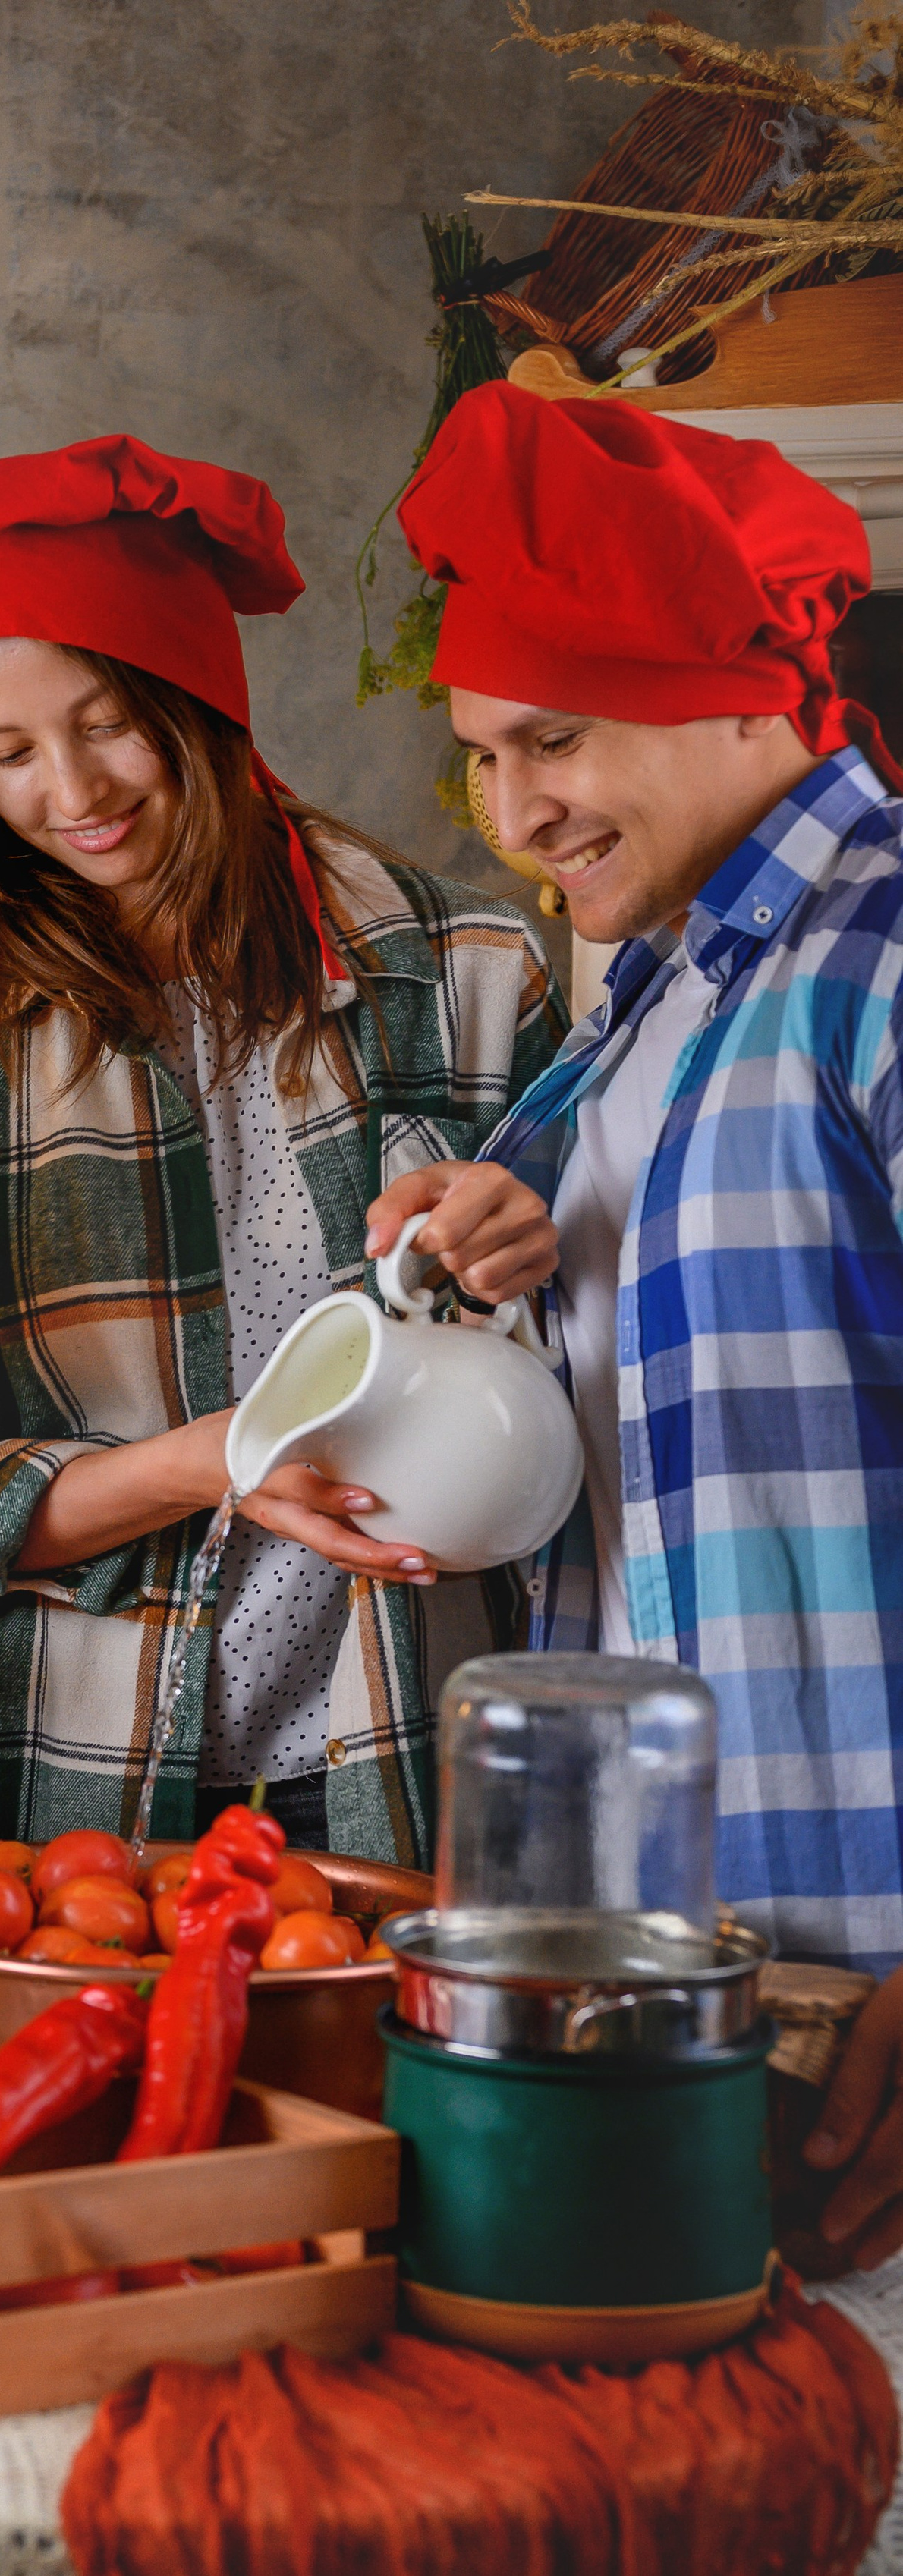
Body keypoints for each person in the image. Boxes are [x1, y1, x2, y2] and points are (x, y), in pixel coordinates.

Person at [0, 433, 561, 1864]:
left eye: (108, 723)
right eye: (6, 751)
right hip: (75, 1775)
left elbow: (598, 1374)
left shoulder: (471, 971)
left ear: (197, 703)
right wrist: (212, 1460)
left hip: (415, 1746)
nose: (71, 789)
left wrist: (530, 1246)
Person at [398, 376, 903, 2260]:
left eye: (552, 739)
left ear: (738, 696)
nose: (513, 813)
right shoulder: (637, 1018)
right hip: (685, 1997)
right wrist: (446, 1284)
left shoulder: (883, 961)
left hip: (871, 1987)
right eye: (479, 757)